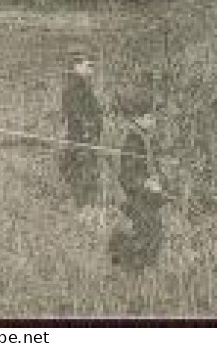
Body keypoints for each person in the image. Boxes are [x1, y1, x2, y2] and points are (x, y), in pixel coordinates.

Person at [109, 95, 166, 272]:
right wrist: (147, 185)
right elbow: (128, 174)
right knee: (149, 229)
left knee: (148, 228)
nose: (154, 122)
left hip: (139, 194)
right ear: (138, 118)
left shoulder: (141, 137)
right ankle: (131, 267)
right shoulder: (132, 140)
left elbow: (148, 166)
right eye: (150, 117)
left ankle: (131, 265)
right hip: (131, 195)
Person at [59, 53, 104, 210]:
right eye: (88, 65)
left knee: (81, 173)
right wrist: (89, 134)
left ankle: (82, 206)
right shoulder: (76, 88)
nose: (92, 70)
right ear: (76, 67)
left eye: (93, 66)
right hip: (81, 139)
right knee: (82, 174)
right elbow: (79, 115)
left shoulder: (80, 86)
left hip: (81, 138)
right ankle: (83, 208)